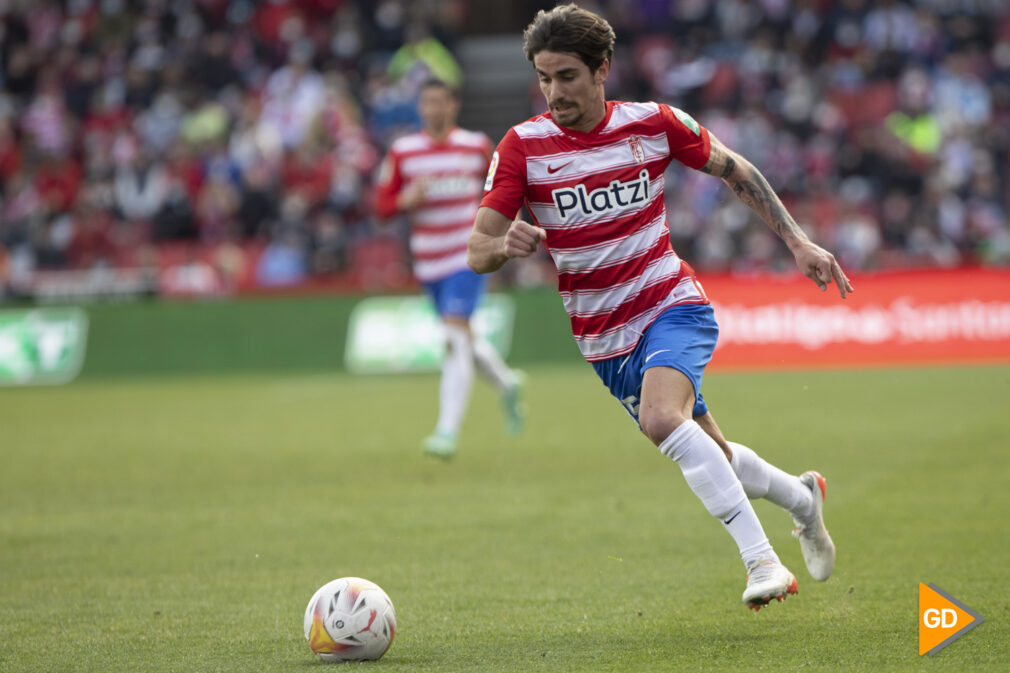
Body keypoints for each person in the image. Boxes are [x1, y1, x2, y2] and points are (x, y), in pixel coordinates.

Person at [468, 4, 853, 610]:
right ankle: (804, 498)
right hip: (604, 338)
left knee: (660, 421)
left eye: (567, 75)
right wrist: (504, 245)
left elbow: (737, 169)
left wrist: (797, 241)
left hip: (672, 303)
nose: (554, 91)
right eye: (543, 77)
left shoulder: (655, 123)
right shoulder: (522, 147)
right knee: (714, 455)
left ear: (603, 70)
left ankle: (763, 563)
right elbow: (477, 249)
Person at [375, 77, 525, 459]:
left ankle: (446, 431)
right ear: (420, 107)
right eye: (427, 102)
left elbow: (505, 189)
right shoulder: (403, 152)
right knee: (464, 339)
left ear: (453, 105)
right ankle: (507, 383)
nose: (433, 109)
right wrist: (403, 200)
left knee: (453, 336)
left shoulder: (475, 147)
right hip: (428, 261)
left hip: (467, 256)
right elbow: (381, 206)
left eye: (440, 102)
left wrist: (506, 233)